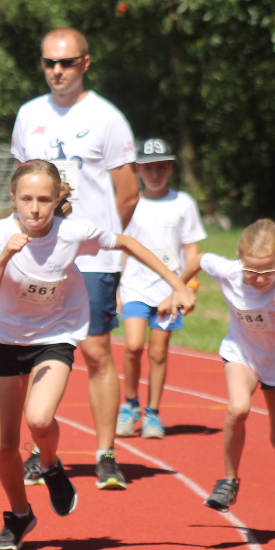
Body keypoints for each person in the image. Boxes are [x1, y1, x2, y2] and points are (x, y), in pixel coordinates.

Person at [0, 161, 195, 550]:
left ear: (57, 198)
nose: (35, 209)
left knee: (39, 418)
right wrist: (4, 257)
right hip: (7, 339)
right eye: (26, 199)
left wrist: (177, 284)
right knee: (4, 445)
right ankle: (20, 515)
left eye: (44, 200)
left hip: (56, 335)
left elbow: (126, 243)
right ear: (13, 199)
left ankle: (50, 464)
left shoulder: (72, 232)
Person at [10, 27, 139, 490]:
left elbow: (128, 193)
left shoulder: (107, 118)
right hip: (40, 255)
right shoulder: (28, 115)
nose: (57, 71)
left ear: (85, 63)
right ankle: (38, 451)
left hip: (92, 259)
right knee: (33, 350)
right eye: (49, 62)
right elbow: (20, 184)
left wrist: (99, 239)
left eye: (66, 62)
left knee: (96, 351)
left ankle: (105, 454)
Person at [181, 219, 275, 538]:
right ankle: (229, 481)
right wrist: (179, 288)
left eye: (267, 272)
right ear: (239, 258)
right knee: (237, 408)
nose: (258, 279)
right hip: (241, 352)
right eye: (251, 270)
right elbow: (198, 260)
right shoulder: (230, 270)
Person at [115, 138, 206, 438]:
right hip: (135, 286)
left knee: (158, 352)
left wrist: (187, 287)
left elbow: (191, 249)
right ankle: (130, 404)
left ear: (170, 169)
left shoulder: (183, 203)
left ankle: (152, 413)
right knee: (132, 346)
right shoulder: (131, 204)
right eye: (148, 168)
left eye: (161, 168)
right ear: (138, 170)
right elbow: (122, 247)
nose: (155, 174)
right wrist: (117, 286)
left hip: (168, 290)